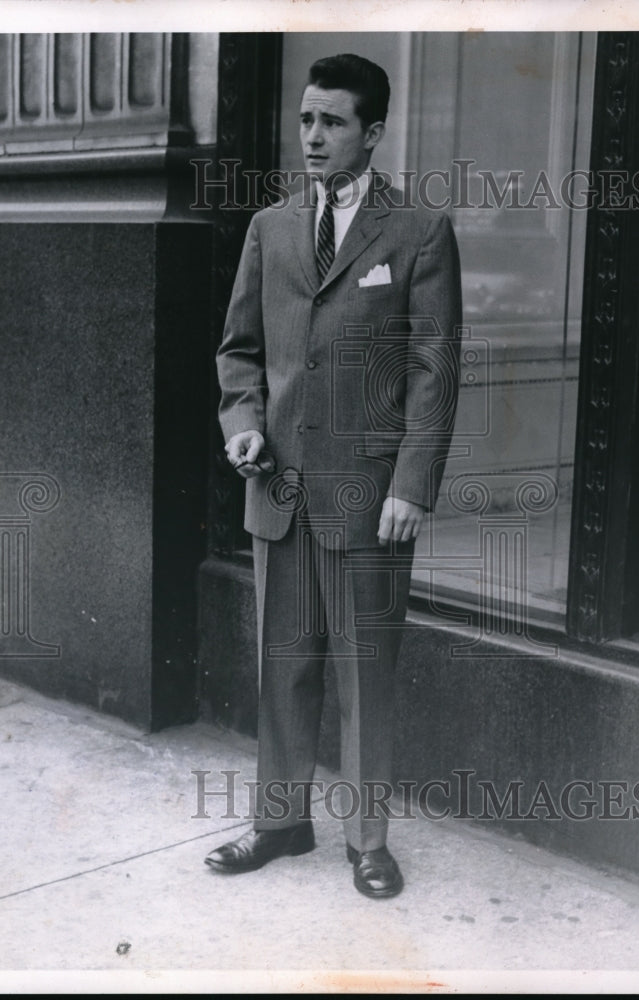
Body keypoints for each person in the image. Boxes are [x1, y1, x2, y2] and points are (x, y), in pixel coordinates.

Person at [207, 53, 462, 898]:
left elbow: (434, 368)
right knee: (283, 665)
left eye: (334, 122)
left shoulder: (419, 231)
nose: (313, 136)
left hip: (369, 497)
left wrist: (412, 484)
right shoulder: (272, 227)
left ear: (374, 133)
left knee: (365, 673)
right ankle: (280, 824)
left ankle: (368, 842)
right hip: (277, 487)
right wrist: (242, 427)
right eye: (307, 119)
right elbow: (239, 352)